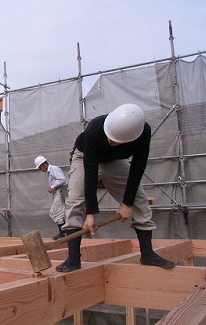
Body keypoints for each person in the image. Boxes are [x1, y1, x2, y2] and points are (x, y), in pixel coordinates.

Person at [57, 103, 175, 272]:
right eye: (110, 137)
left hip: (116, 161)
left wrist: (127, 203)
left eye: (115, 140)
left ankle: (148, 254)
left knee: (139, 201)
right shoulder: (95, 129)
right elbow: (90, 172)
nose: (110, 140)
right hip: (85, 157)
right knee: (75, 201)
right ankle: (73, 259)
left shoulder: (142, 133)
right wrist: (90, 214)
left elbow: (137, 167)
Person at [34, 156, 68, 240]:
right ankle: (63, 232)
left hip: (61, 192)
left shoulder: (54, 169)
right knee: (58, 213)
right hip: (59, 192)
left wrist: (52, 187)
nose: (40, 169)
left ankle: (63, 233)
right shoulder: (50, 171)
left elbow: (62, 179)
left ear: (43, 165)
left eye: (40, 167)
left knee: (54, 212)